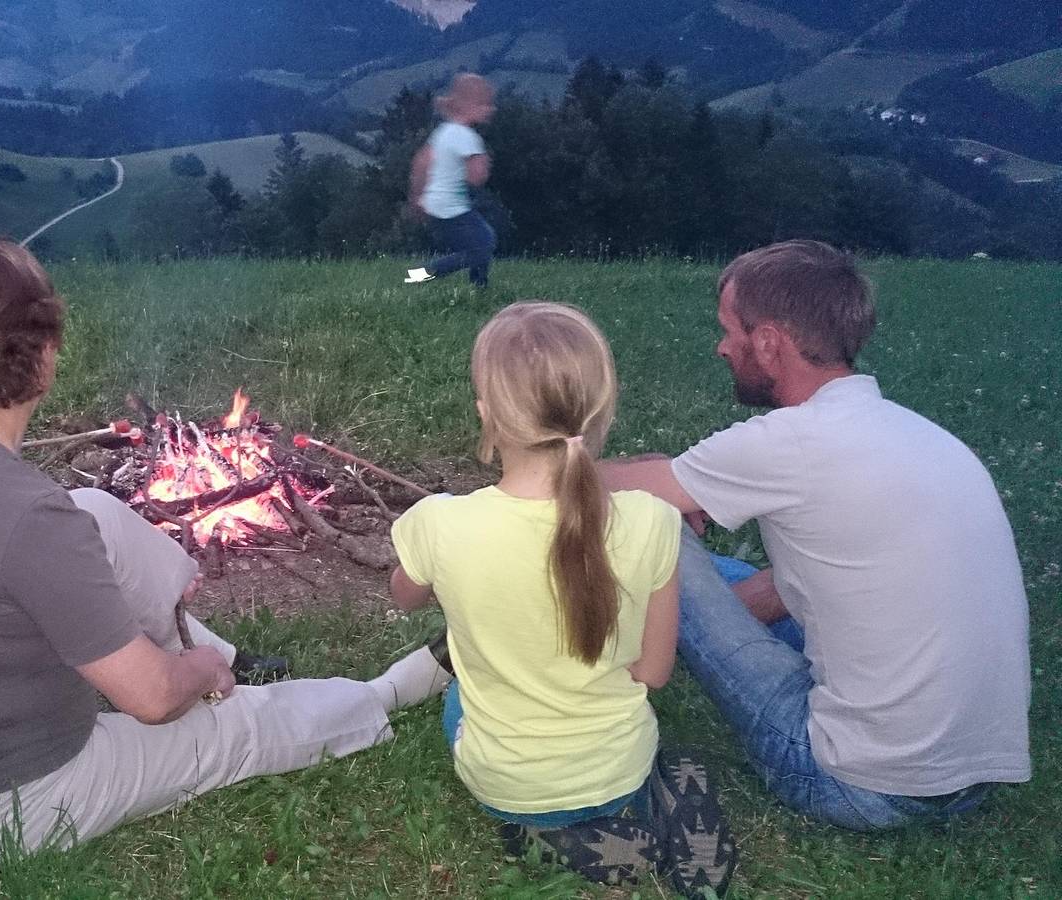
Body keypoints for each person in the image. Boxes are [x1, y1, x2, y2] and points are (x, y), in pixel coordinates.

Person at [0, 239, 452, 863]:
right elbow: (152, 701)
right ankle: (376, 696)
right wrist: (200, 674)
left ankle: (212, 647)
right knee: (232, 728)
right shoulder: (27, 516)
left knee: (92, 508)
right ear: (45, 355)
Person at [601, 239, 1031, 831]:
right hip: (970, 780)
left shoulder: (792, 441)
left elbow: (591, 488)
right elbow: (812, 579)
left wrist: (649, 478)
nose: (721, 346)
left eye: (729, 330)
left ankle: (564, 644)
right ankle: (656, 624)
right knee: (721, 571)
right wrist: (706, 612)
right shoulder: (923, 436)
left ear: (768, 343)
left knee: (654, 524)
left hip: (854, 782)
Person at [389, 302, 735, 898]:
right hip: (621, 769)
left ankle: (543, 835)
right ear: (603, 412)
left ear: (487, 414)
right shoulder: (653, 520)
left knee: (457, 697)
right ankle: (655, 798)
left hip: (506, 786)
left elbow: (404, 595)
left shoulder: (440, 524)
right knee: (624, 744)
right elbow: (653, 672)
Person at [404, 72, 497, 288]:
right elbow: (476, 178)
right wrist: (483, 162)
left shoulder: (443, 132)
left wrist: (417, 196)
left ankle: (478, 287)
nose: (490, 109)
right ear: (469, 106)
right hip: (451, 208)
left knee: (482, 241)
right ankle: (419, 276)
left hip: (436, 204)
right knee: (482, 246)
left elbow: (421, 162)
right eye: (485, 104)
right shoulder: (467, 137)